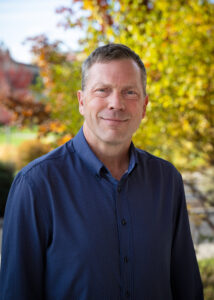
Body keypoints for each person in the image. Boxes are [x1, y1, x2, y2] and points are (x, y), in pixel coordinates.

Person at [0, 43, 203, 300]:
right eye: (102, 91)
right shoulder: (36, 185)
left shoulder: (166, 180)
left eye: (129, 92)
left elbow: (187, 286)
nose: (116, 103)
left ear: (144, 106)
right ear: (82, 101)